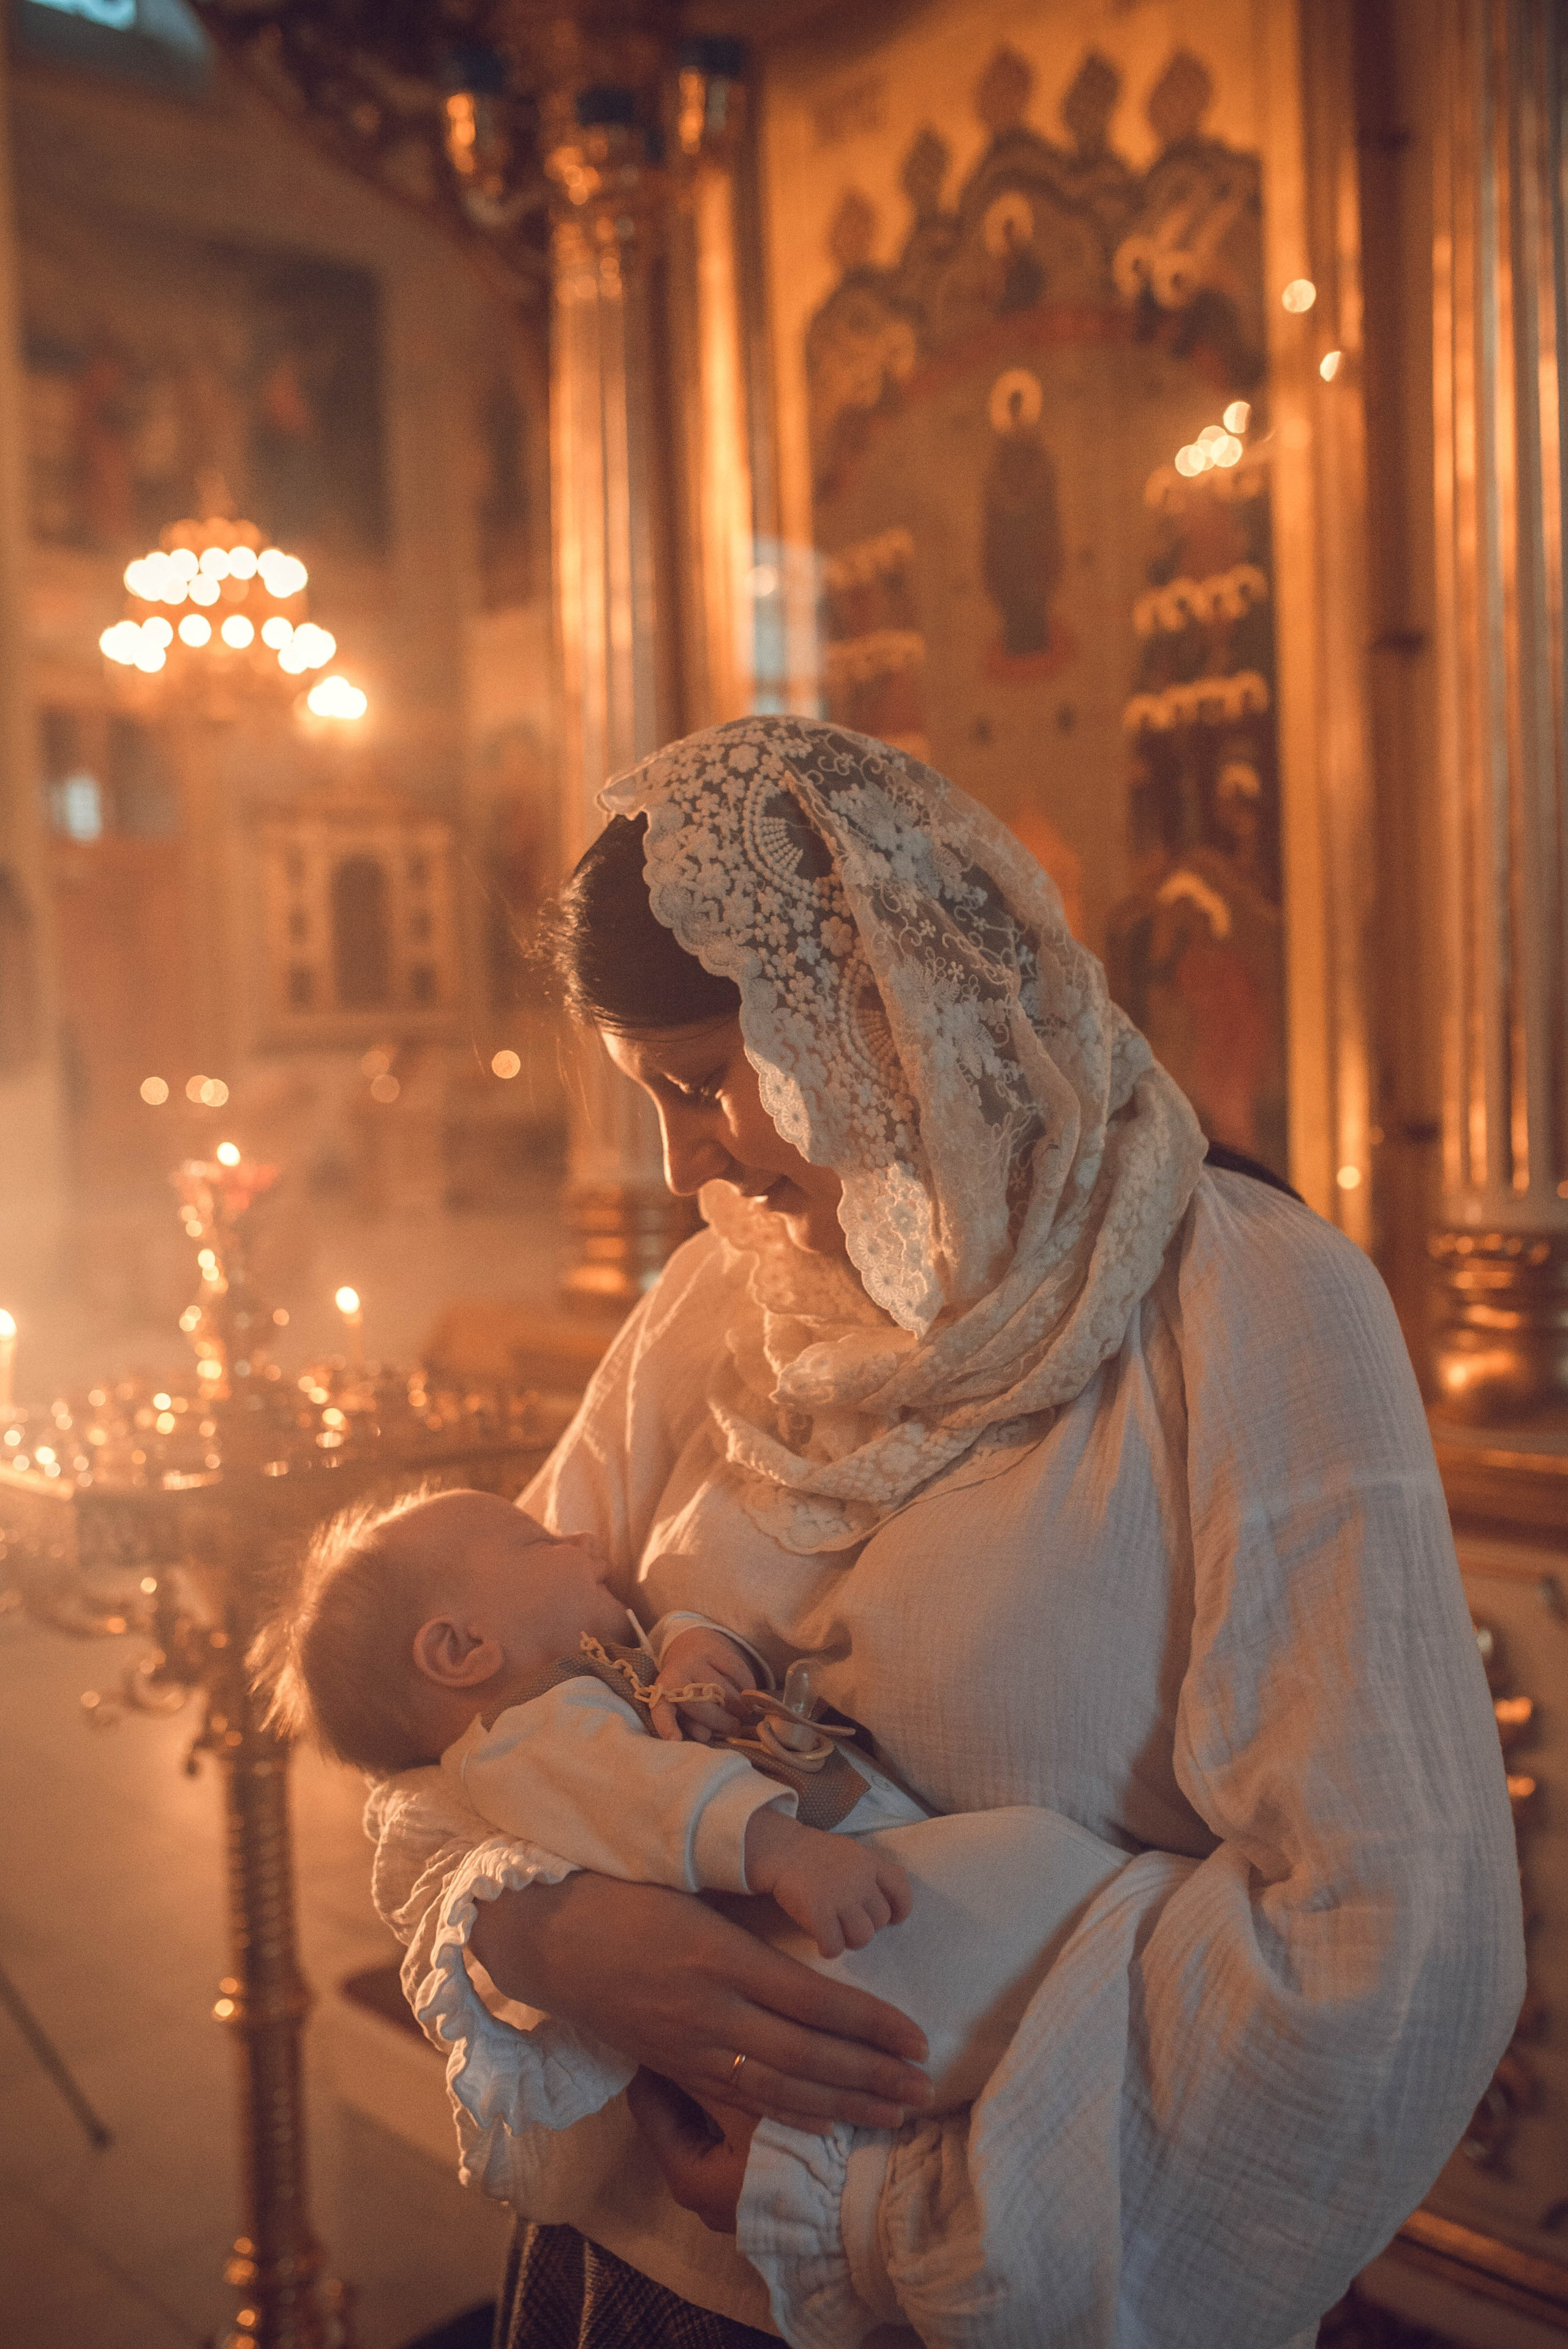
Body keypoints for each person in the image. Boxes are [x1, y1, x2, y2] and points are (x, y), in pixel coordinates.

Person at [367, 716, 1523, 2349]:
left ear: (881, 1012)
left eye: (703, 1084)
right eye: (651, 1097)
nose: (684, 1161)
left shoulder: (1250, 1305)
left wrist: (859, 2209)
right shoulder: (722, 1295)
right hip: (628, 2273)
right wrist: (541, 1924)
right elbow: (443, 1713)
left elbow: (1389, 1943)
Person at [254, 1485, 1128, 2150]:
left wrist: (688, 1649)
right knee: (1034, 1876)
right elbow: (651, 1796)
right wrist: (783, 1851)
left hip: (842, 1867)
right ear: (462, 1650)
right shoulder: (524, 1742)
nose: (588, 1543)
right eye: (540, 1541)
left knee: (1027, 1887)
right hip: (804, 1905)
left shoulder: (583, 1695)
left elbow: (658, 1688)